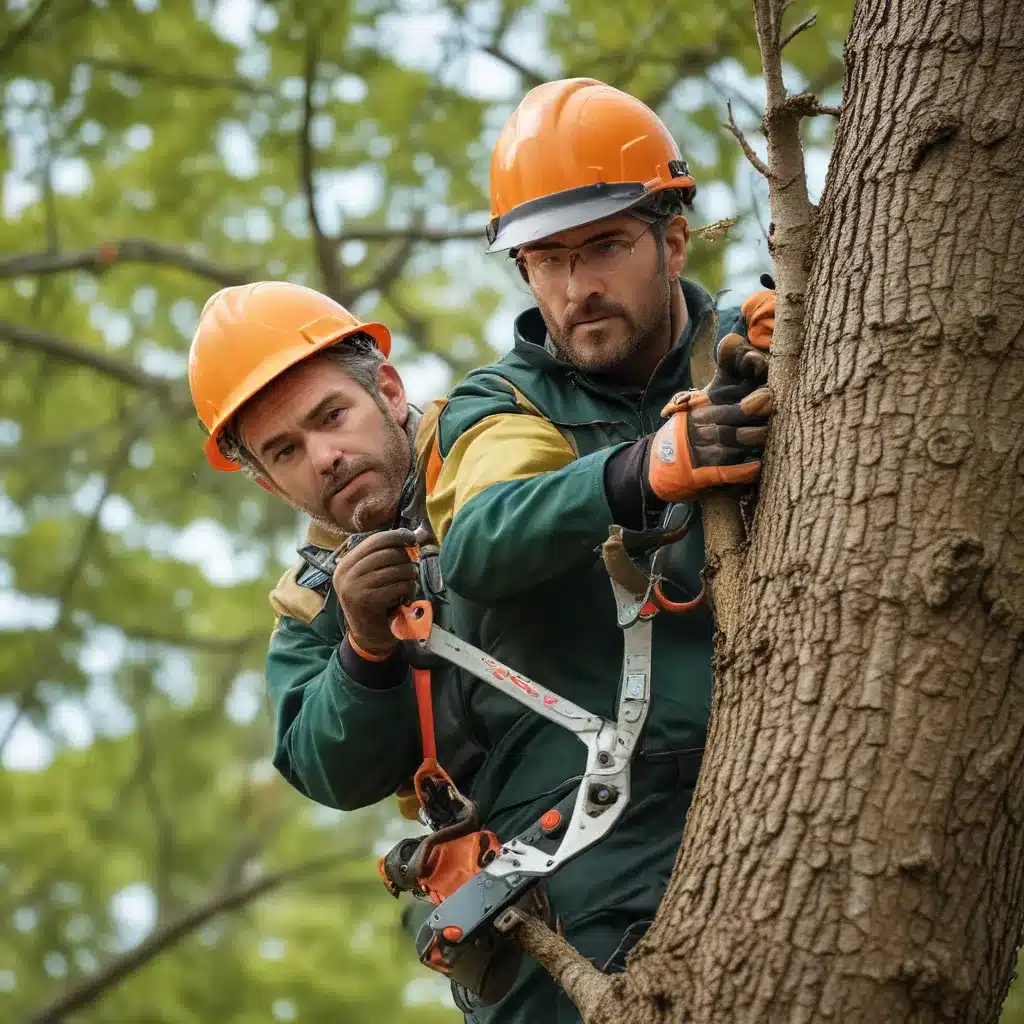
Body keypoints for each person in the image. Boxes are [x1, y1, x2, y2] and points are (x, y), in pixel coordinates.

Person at [419, 78, 776, 1022]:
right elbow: (484, 540)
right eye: (547, 260)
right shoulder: (501, 403)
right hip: (588, 841)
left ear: (671, 238)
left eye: (606, 247)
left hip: (779, 781)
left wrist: (818, 345)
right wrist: (644, 469)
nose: (577, 288)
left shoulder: (745, 340)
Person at [186, 281, 484, 816]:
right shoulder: (310, 607)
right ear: (271, 485)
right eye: (285, 451)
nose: (323, 458)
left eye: (331, 417)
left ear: (389, 393)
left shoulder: (490, 436)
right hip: (503, 845)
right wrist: (365, 647)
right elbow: (329, 772)